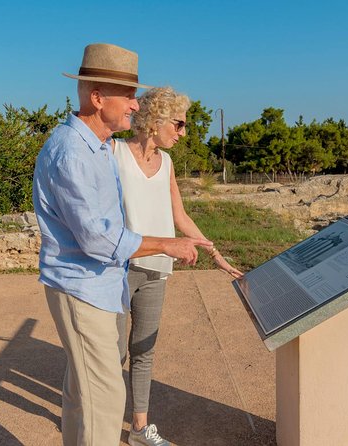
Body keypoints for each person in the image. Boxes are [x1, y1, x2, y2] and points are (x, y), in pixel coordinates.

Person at [32, 43, 212, 446]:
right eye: (128, 96)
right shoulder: (76, 153)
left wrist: (197, 244)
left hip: (96, 285)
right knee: (105, 399)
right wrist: (168, 245)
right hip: (83, 287)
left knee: (84, 395)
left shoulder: (92, 147)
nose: (135, 106)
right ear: (98, 98)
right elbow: (99, 239)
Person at [114, 87, 243, 445]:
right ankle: (101, 425)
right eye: (179, 124)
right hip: (119, 268)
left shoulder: (167, 163)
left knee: (143, 350)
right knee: (112, 353)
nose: (183, 132)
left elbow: (179, 216)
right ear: (154, 120)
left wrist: (217, 256)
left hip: (157, 270)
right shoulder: (114, 152)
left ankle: (139, 429)